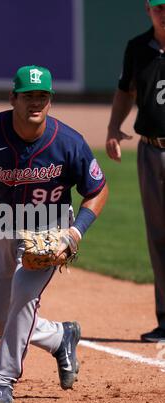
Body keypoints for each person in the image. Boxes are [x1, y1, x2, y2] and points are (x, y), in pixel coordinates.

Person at [0, 65, 108, 403]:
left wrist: (75, 233)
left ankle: (2, 380)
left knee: (23, 297)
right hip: (0, 226)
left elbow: (98, 190)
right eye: (28, 96)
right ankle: (61, 336)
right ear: (13, 97)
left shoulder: (68, 142)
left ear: (50, 101)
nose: (36, 103)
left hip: (48, 230)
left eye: (42, 97)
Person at [106, 0, 165, 342]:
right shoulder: (137, 48)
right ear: (148, 9)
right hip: (151, 151)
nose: (164, 12)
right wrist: (114, 127)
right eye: (158, 6)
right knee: (158, 239)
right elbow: (125, 90)